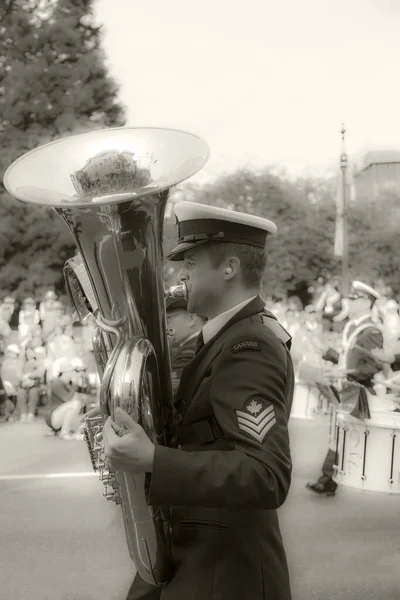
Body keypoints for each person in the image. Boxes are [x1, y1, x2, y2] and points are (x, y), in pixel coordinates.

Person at [97, 201, 294, 600]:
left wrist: (153, 460)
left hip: (223, 571)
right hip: (200, 553)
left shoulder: (249, 345)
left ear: (229, 268)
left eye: (191, 262)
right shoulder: (225, 339)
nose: (181, 273)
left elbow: (265, 475)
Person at [126, 295, 205, 599]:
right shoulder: (184, 348)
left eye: (170, 320)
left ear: (192, 319)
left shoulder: (190, 351)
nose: (167, 327)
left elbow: (167, 398)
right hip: (178, 469)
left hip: (182, 469)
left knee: (155, 574)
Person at [306, 280, 384, 496]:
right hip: (347, 386)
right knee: (338, 431)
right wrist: (326, 351)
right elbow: (347, 358)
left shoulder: (371, 331)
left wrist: (346, 373)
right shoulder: (353, 326)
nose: (348, 302)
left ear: (366, 302)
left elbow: (373, 365)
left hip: (360, 389)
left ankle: (332, 476)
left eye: (353, 299)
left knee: (348, 432)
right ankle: (329, 476)